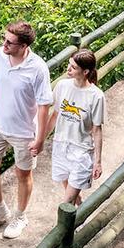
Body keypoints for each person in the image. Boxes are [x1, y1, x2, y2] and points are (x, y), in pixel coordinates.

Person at [0, 20, 53, 239]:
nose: (4, 45)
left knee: (23, 174)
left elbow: (44, 106)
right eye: (4, 39)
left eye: (9, 42)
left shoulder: (38, 68)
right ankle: (0, 210)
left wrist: (40, 139)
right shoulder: (0, 55)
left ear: (24, 46)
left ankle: (20, 216)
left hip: (24, 131)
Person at [50, 48, 106, 208]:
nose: (68, 69)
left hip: (81, 152)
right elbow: (54, 115)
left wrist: (98, 162)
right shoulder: (62, 86)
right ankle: (81, 211)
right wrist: (39, 140)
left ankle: (64, 224)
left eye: (73, 67)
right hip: (60, 146)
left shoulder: (96, 96)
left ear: (86, 71)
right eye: (69, 64)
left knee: (66, 203)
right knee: (71, 194)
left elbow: (97, 129)